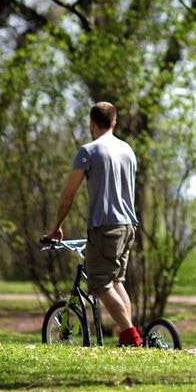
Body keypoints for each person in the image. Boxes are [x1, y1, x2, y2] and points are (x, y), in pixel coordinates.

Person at [42, 102, 142, 347]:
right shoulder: (128, 150)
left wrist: (56, 226)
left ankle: (131, 337)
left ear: (92, 123)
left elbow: (68, 195)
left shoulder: (88, 151)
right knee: (117, 282)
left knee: (99, 284)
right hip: (128, 226)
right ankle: (128, 337)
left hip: (104, 226)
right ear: (114, 121)